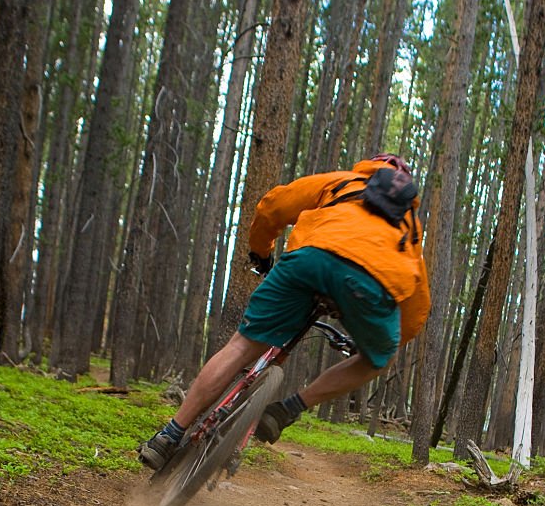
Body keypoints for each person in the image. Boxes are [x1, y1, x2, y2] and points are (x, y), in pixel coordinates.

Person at [139, 153, 431, 471]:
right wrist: (376, 341)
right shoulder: (410, 227)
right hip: (371, 285)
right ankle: (289, 408)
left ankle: (169, 435)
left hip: (310, 261)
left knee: (241, 346)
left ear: (372, 168)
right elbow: (417, 309)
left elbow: (274, 205)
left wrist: (261, 252)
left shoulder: (344, 182)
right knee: (376, 361)